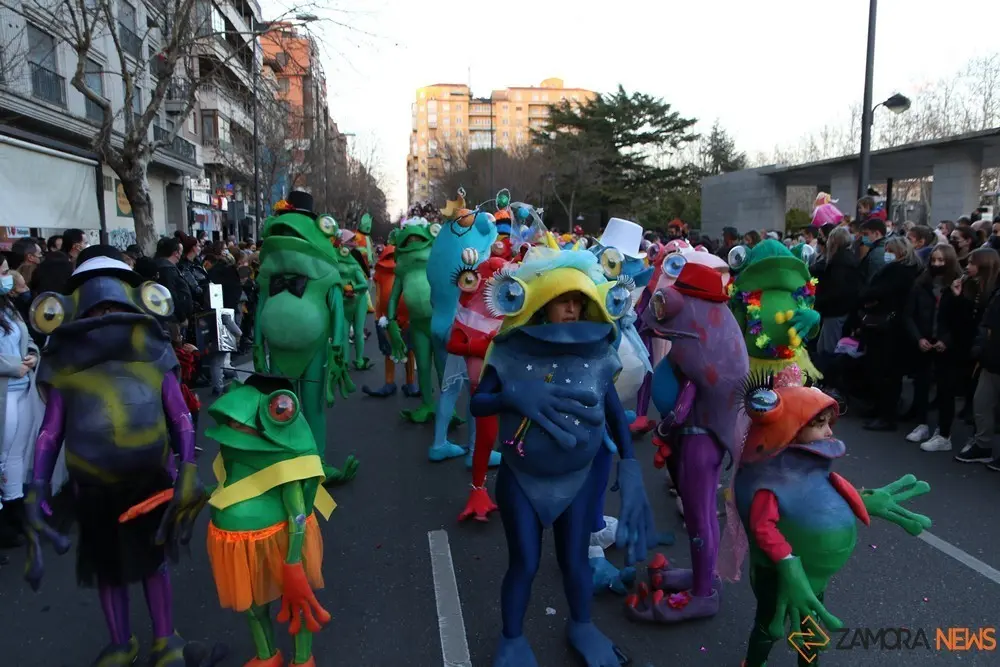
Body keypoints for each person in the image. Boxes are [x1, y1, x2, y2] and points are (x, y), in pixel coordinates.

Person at [726, 367, 931, 667]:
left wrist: (867, 501)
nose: (829, 432)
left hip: (814, 574)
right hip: (778, 576)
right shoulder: (769, 484)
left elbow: (826, 496)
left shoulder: (813, 468)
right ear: (791, 429)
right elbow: (761, 527)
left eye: (829, 423)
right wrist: (788, 566)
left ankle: (809, 664)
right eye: (820, 424)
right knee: (769, 626)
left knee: (810, 627)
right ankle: (754, 662)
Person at [857, 236, 921, 431]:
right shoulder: (909, 270)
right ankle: (881, 409)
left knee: (886, 372)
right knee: (884, 372)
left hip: (888, 329)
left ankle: (886, 414)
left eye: (889, 249)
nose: (886, 253)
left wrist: (868, 297)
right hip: (890, 327)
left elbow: (878, 292)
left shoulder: (897, 271)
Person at [903, 244, 962, 451]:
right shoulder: (921, 283)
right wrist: (918, 338)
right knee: (922, 384)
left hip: (946, 345)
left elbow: (963, 319)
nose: (936, 264)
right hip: (924, 341)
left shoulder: (958, 285)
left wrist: (947, 339)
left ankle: (944, 433)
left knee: (946, 390)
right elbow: (909, 314)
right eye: (934, 260)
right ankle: (922, 424)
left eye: (941, 260)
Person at [0, 257, 41, 549]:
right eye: (3, 272)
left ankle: (14, 511)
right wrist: (16, 365)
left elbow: (27, 338)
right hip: (7, 390)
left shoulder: (7, 306)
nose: (8, 276)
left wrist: (32, 356)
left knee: (17, 454)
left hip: (22, 389)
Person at [810, 227, 862, 383]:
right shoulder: (848, 259)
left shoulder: (839, 262)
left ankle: (829, 384)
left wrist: (819, 301)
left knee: (828, 350)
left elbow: (836, 291)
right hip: (840, 310)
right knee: (824, 347)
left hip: (835, 311)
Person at [154, 236, 194, 325]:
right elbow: (171, 294)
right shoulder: (167, 269)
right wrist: (182, 318)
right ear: (176, 253)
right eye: (181, 252)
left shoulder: (169, 267)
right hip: (174, 319)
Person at [857, 218, 887, 284]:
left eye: (866, 234)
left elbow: (872, 280)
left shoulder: (877, 254)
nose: (863, 237)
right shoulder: (878, 248)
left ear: (876, 234)